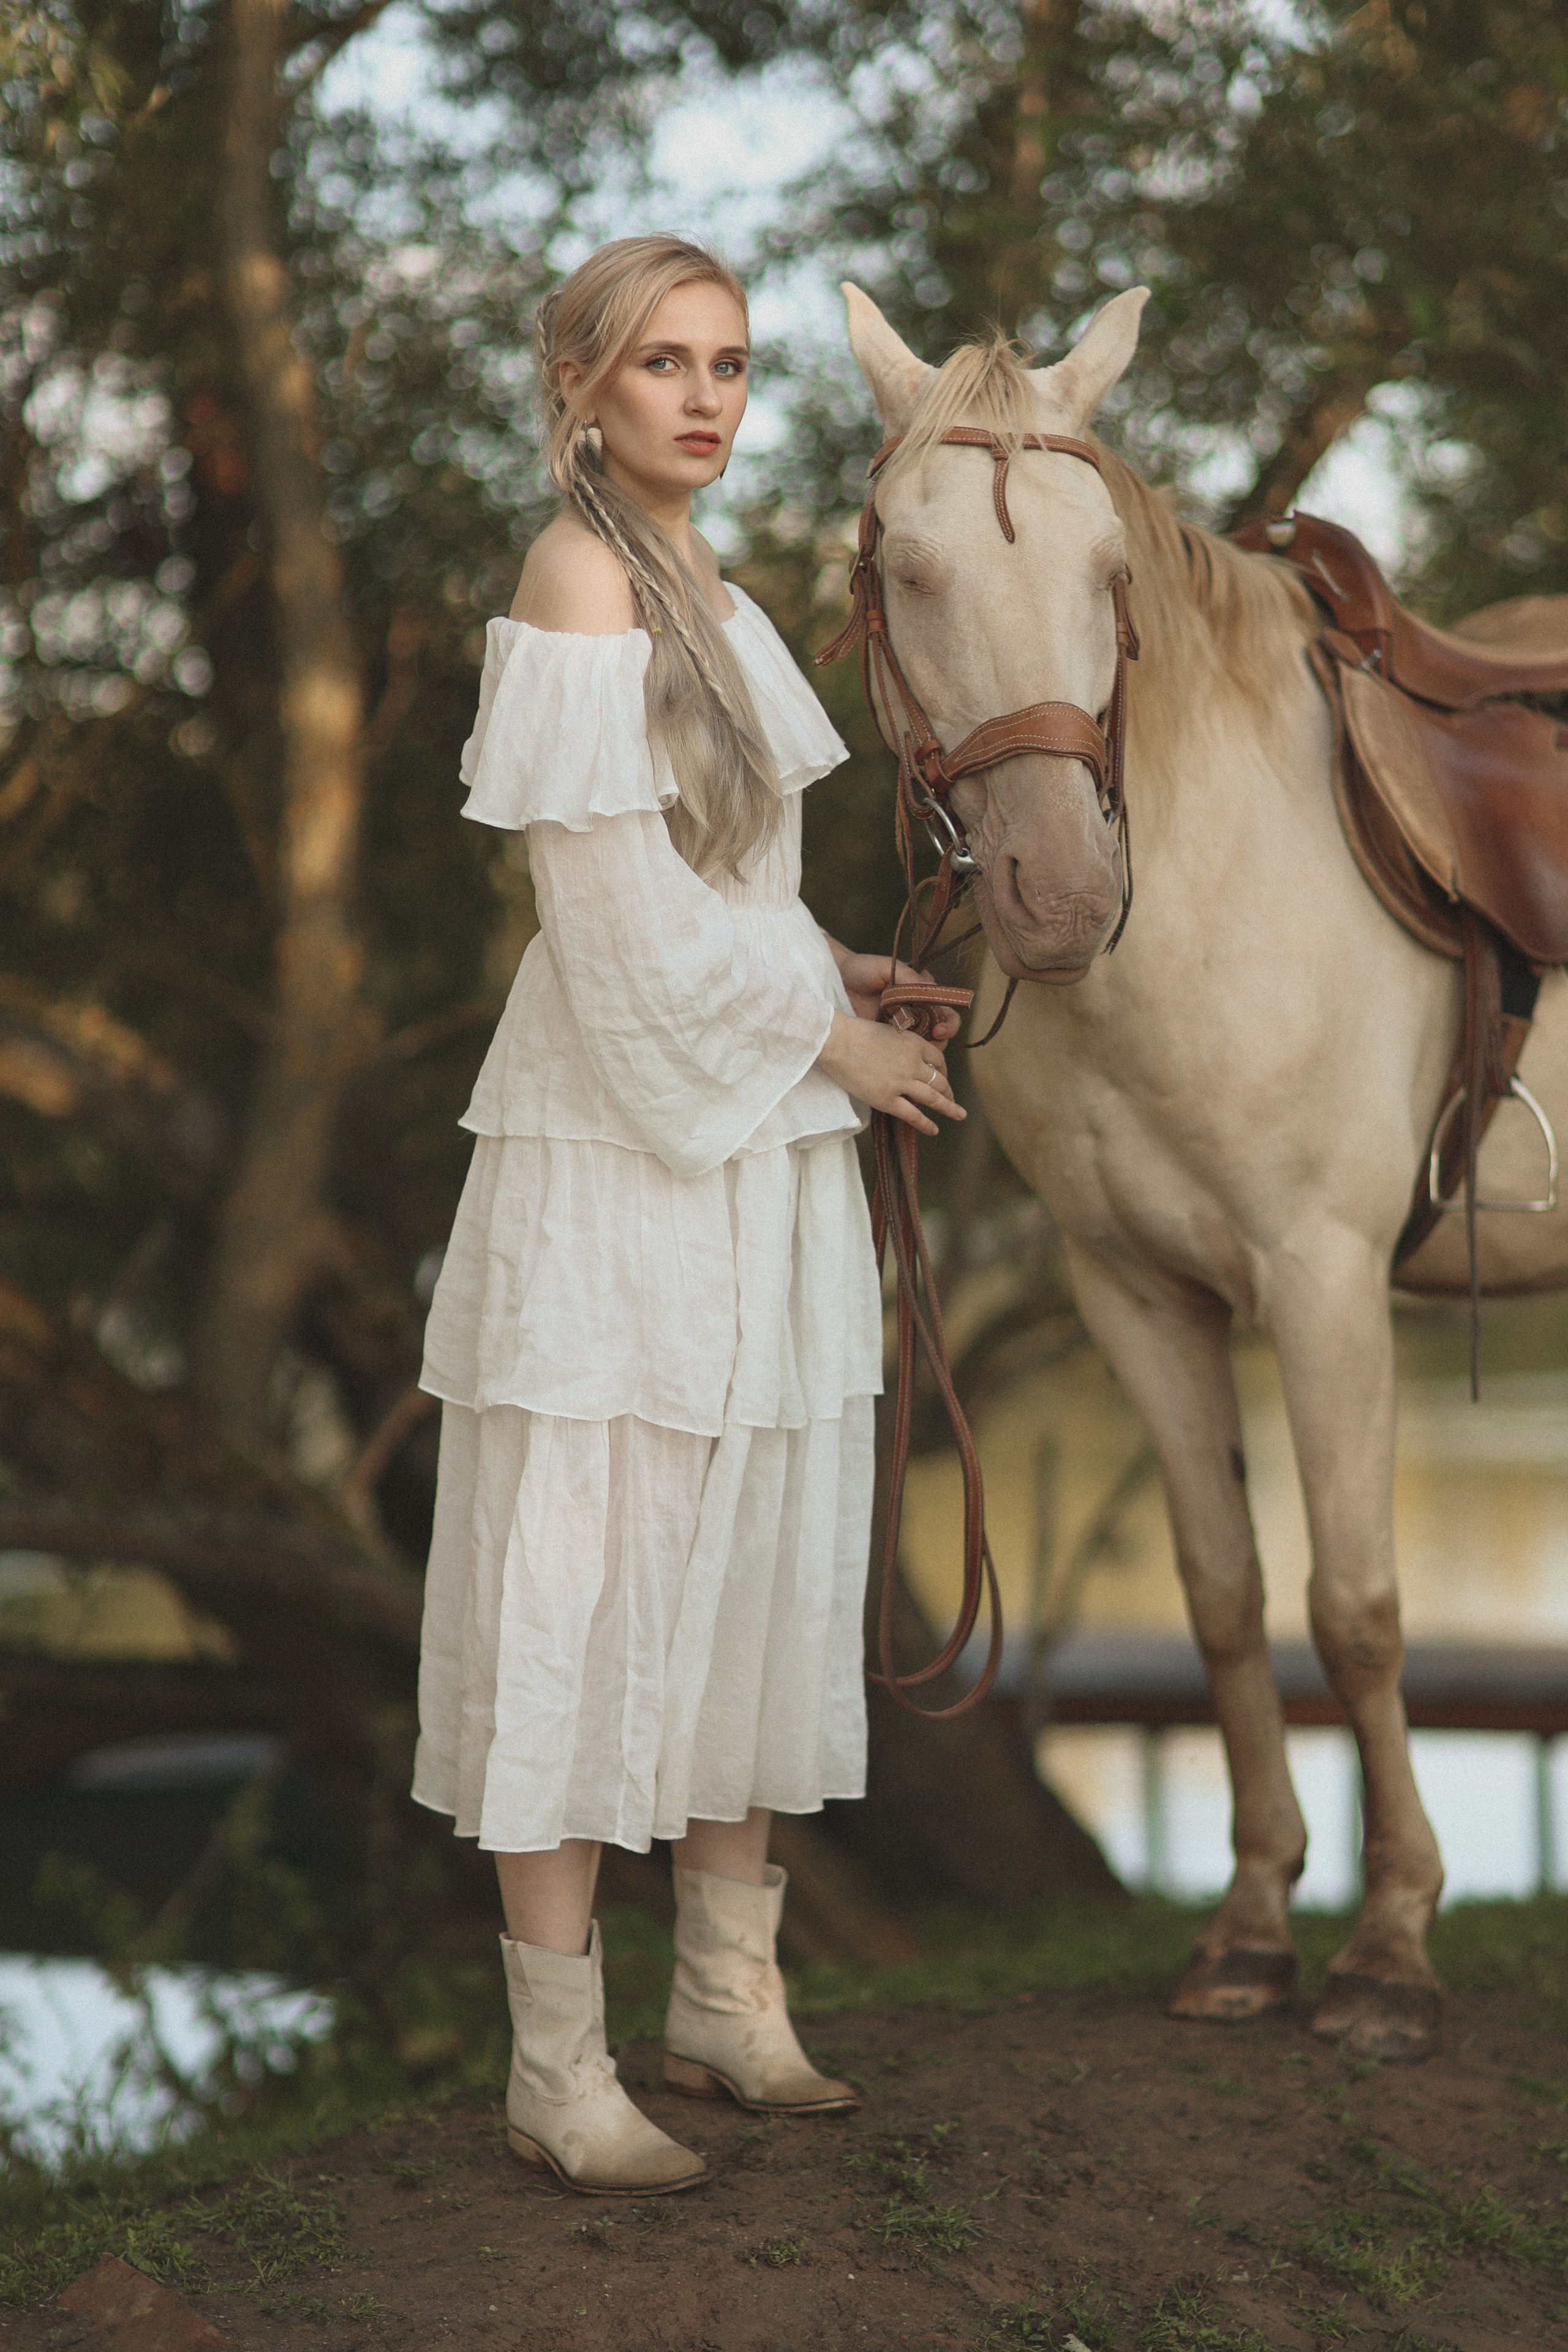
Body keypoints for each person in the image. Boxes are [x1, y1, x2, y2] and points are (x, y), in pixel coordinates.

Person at [410, 234, 963, 2196]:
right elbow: (610, 917)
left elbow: (726, 888)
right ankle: (556, 2068)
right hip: (619, 1164)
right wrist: (831, 1041)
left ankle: (726, 2001)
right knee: (581, 1577)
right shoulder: (577, 576)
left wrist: (840, 970)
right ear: (581, 384)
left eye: (728, 362)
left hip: (749, 1143)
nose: (708, 396)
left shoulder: (705, 580)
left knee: (748, 1564)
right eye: (664, 362)